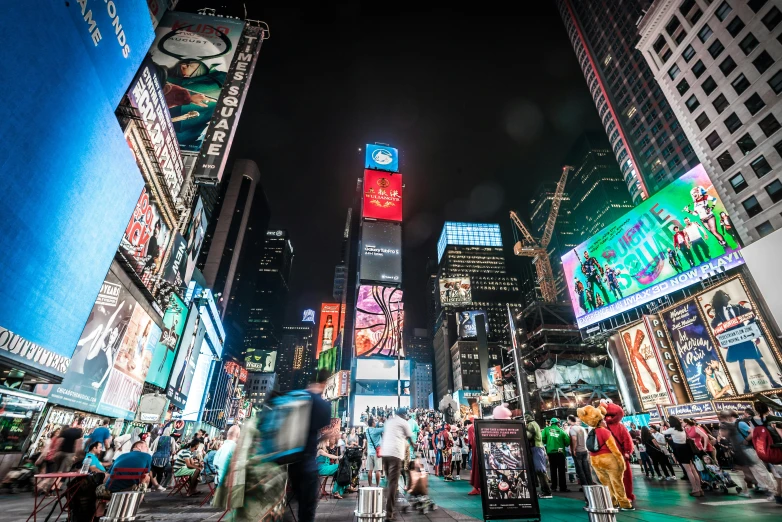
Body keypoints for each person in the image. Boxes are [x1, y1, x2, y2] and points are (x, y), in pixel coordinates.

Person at [288, 369, 332, 522]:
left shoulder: (294, 398)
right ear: (325, 383)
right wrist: (327, 435)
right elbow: (316, 433)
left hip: (288, 463)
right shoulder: (321, 404)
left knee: (292, 505)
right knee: (307, 510)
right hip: (307, 463)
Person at [382, 407, 415, 521]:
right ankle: (389, 515)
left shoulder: (389, 421)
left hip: (385, 454)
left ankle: (390, 510)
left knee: (390, 483)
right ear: (403, 414)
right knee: (393, 484)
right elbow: (410, 438)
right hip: (395, 455)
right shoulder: (404, 422)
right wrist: (414, 445)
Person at [662, 416, 703, 497]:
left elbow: (662, 432)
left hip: (680, 450)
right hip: (687, 448)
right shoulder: (681, 428)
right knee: (693, 469)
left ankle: (695, 489)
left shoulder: (672, 430)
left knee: (688, 471)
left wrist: (661, 426)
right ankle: (700, 488)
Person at [525, 413, 552, 499]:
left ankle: (547, 492)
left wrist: (522, 429)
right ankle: (544, 490)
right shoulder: (533, 423)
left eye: (527, 416)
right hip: (537, 448)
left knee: (540, 470)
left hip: (536, 448)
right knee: (539, 470)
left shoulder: (532, 424)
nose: (526, 417)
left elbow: (529, 436)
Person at [542, 417, 571, 493]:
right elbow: (567, 442)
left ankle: (554, 487)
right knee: (561, 470)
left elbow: (543, 439)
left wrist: (548, 442)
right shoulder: (561, 431)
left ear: (551, 423)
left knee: (552, 470)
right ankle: (563, 487)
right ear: (557, 423)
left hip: (551, 453)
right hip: (560, 453)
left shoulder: (546, 430)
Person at [567, 415, 593, 490]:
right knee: (586, 468)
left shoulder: (572, 429)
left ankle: (585, 486)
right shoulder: (582, 428)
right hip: (585, 450)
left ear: (569, 420)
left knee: (580, 469)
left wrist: (574, 449)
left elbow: (574, 439)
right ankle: (590, 483)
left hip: (578, 451)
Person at [365, 417, 383, 487]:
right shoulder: (376, 431)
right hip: (377, 453)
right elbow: (384, 429)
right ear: (372, 423)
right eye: (374, 422)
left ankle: (370, 485)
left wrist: (378, 421)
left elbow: (375, 426)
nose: (375, 423)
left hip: (370, 453)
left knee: (370, 470)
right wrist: (383, 422)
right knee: (378, 470)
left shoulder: (367, 431)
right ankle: (377, 485)